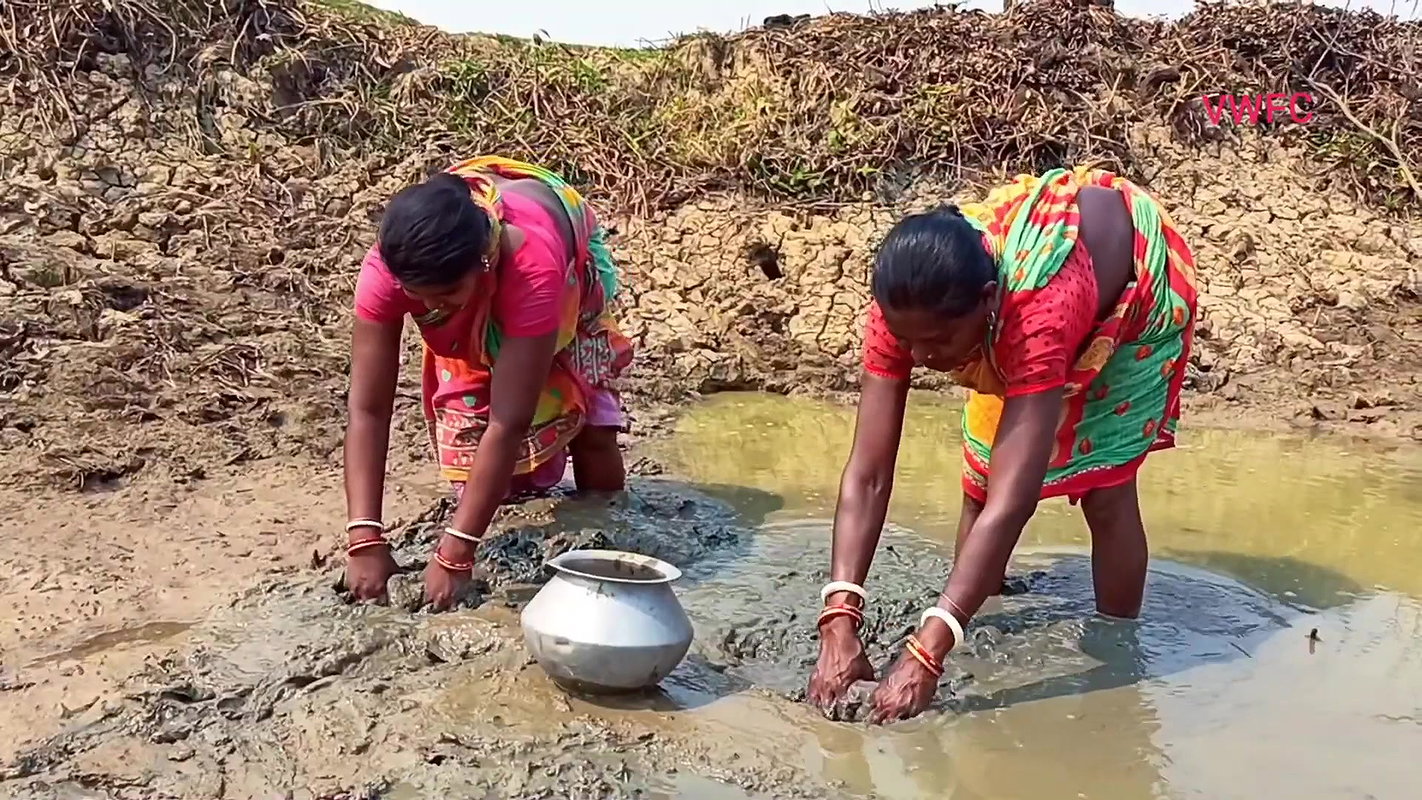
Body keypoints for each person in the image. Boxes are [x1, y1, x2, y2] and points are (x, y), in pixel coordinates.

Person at [807, 166, 1198, 724]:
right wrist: (839, 619)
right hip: (1016, 316)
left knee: (1105, 491)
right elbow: (868, 474)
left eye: (939, 342)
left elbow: (1015, 500)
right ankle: (974, 611)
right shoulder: (901, 309)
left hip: (1131, 299)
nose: (920, 358)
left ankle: (1118, 650)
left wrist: (924, 655)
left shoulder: (1036, 311)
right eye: (908, 341)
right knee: (979, 478)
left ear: (988, 302)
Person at [341, 157, 634, 609]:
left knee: (587, 427)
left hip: (555, 270)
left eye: (444, 297)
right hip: (482, 276)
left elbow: (509, 419)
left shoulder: (532, 267)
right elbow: (368, 408)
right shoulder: (389, 271)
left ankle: (614, 530)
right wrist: (363, 537)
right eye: (418, 297)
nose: (430, 308)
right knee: (482, 452)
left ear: (482, 264)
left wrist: (457, 552)